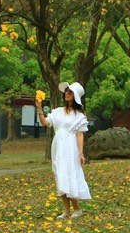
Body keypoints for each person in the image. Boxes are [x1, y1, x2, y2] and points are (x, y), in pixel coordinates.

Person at [36, 81, 91, 219]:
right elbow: (45, 123)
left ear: (76, 96)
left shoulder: (79, 116)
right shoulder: (58, 112)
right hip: (58, 146)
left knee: (70, 174)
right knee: (60, 174)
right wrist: (39, 108)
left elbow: (80, 135)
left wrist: (81, 153)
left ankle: (76, 209)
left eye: (70, 91)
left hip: (70, 147)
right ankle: (66, 210)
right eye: (66, 90)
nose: (67, 93)